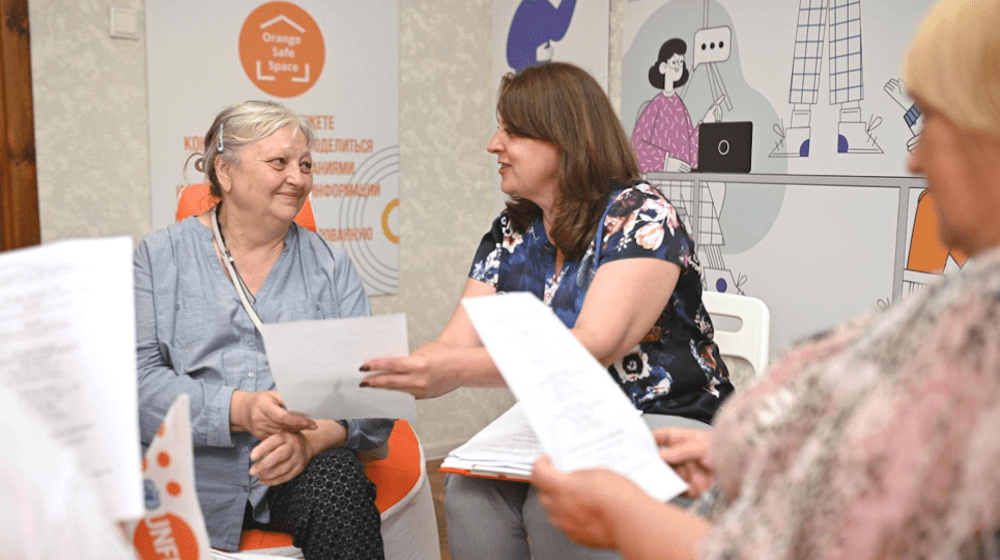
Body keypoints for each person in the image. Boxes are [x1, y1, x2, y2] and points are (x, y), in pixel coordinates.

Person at [532, 1, 1000, 558]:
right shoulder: (969, 301)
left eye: (930, 119)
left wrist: (625, 517)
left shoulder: (643, 212)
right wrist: (759, 458)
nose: (913, 160)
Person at [362, 62, 732, 560]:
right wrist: (393, 375)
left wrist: (449, 369)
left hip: (666, 418)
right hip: (567, 423)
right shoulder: (513, 230)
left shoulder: (641, 215)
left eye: (512, 131)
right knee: (469, 494)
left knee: (548, 506)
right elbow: (453, 345)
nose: (494, 144)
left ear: (565, 140)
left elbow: (592, 345)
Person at [134, 100, 393, 559]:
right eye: (280, 162)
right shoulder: (158, 259)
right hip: (190, 470)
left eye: (306, 164)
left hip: (296, 467)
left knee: (340, 484)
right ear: (225, 172)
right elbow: (137, 383)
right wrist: (239, 408)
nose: (299, 178)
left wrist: (312, 441)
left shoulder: (331, 266)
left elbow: (373, 394)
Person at [631, 38, 723, 173]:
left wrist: (707, 123)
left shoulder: (679, 106)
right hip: (660, 181)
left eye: (681, 62)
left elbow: (689, 150)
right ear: (663, 67)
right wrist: (666, 162)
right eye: (674, 62)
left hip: (682, 180)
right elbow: (636, 147)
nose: (678, 66)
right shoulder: (655, 106)